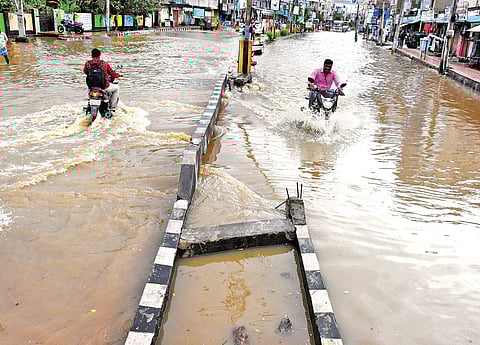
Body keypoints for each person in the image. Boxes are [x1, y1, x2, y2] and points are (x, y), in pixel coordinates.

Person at [83, 48, 120, 112]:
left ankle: (89, 106)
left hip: (92, 88)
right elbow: (112, 74)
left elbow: (85, 72)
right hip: (104, 87)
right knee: (116, 88)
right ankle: (112, 107)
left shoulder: (87, 64)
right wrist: (117, 75)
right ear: (99, 55)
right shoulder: (104, 64)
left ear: (91, 55)